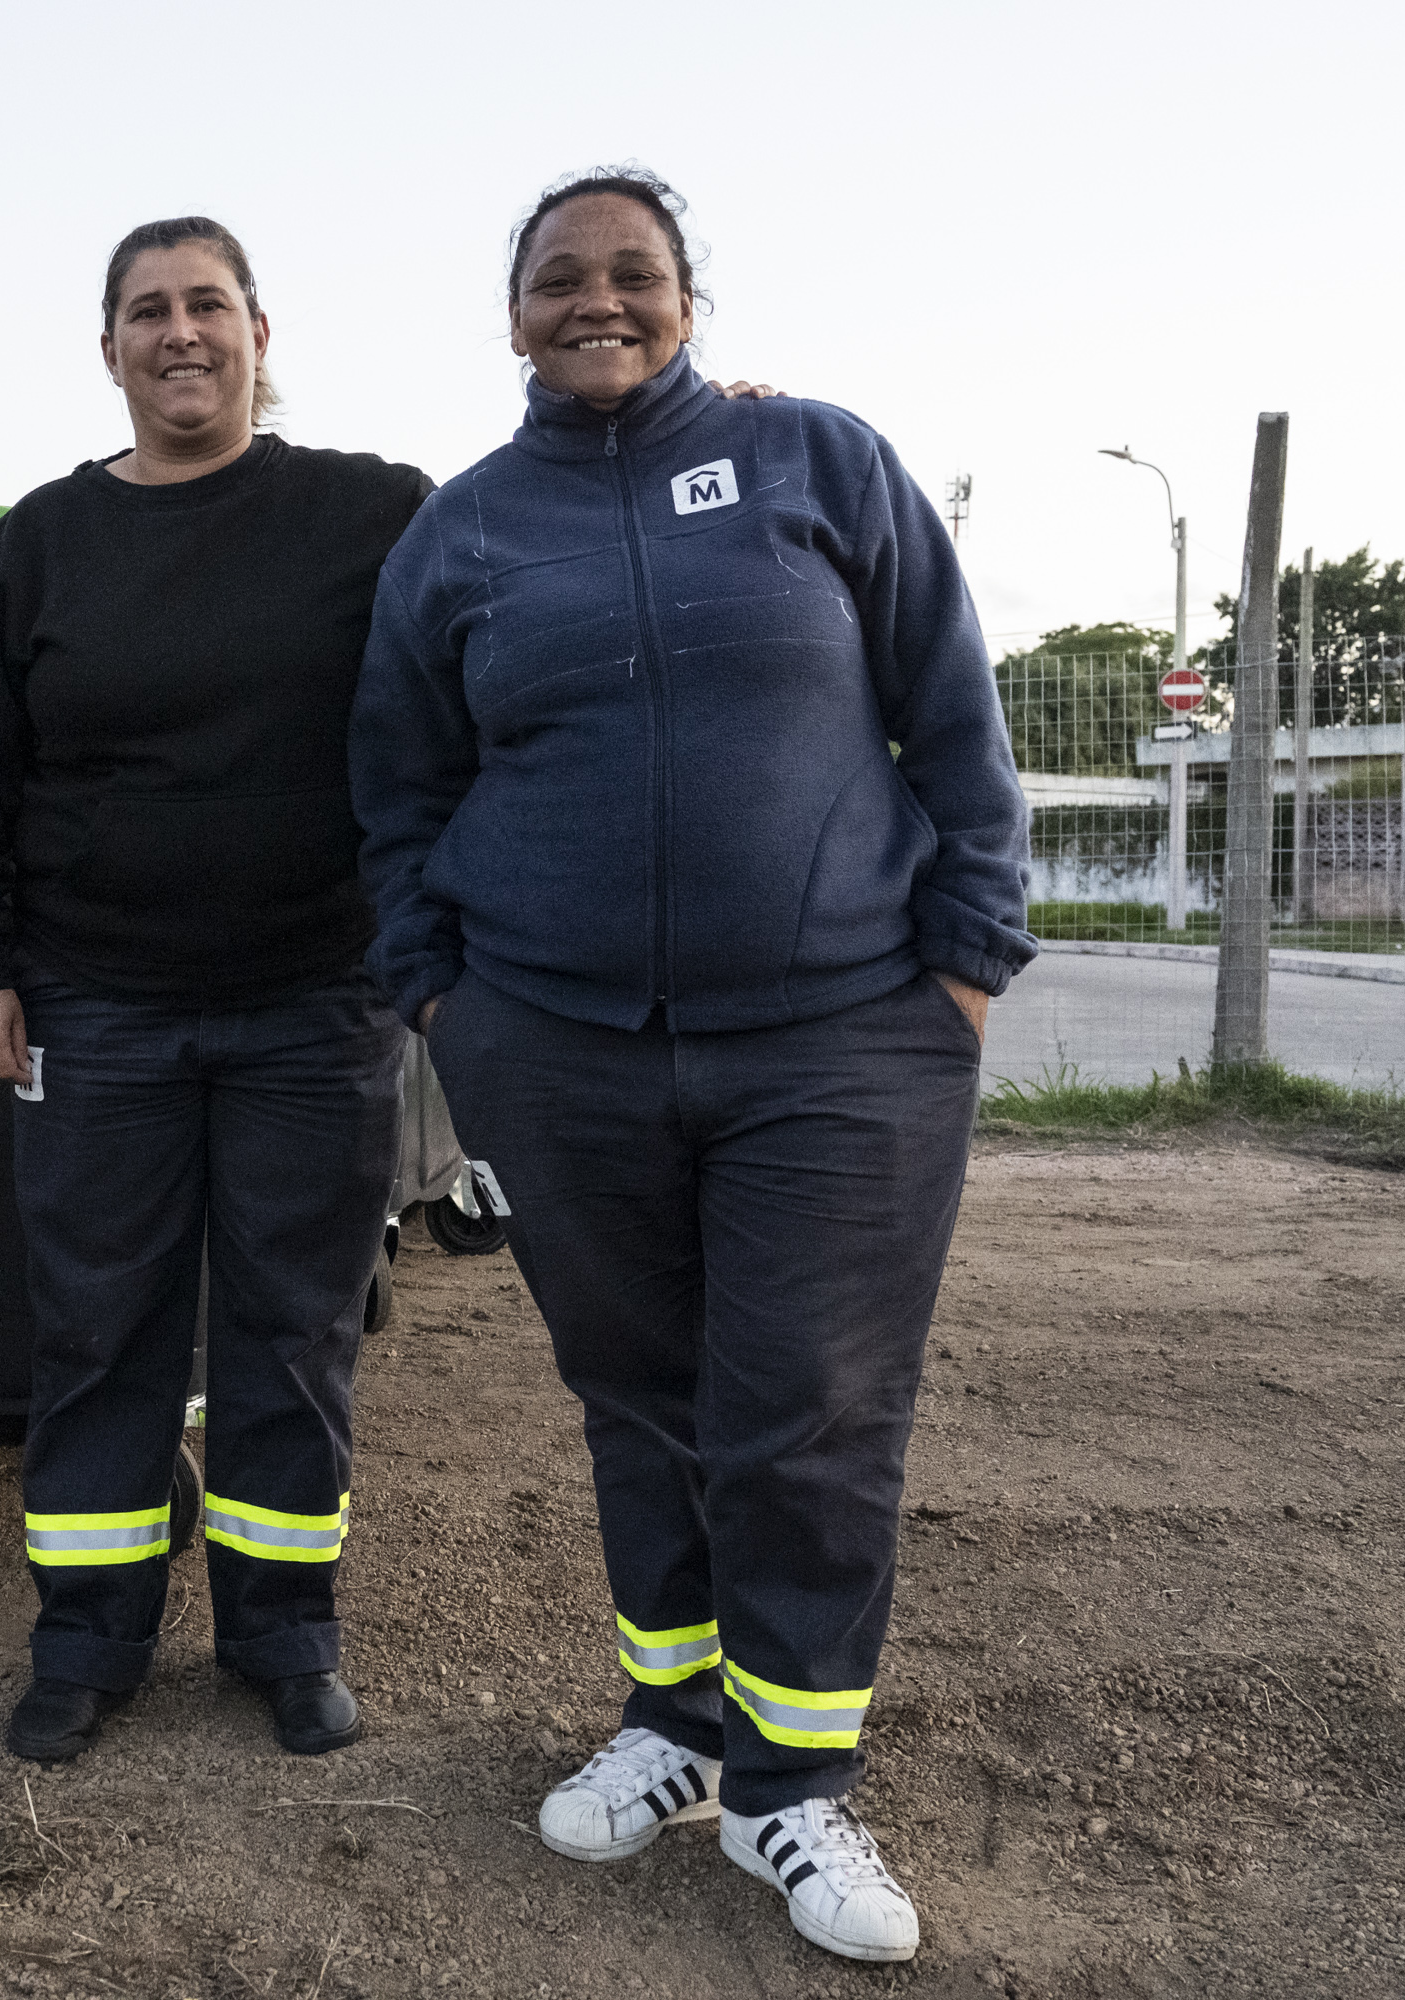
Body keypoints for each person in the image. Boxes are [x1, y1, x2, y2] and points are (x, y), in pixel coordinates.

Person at [351, 168, 1033, 1965]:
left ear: (685, 298)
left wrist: (965, 959)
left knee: (804, 1407)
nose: (600, 301)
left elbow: (951, 710)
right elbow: (398, 793)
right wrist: (444, 1001)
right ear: (513, 317)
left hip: (843, 1043)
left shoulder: (817, 462)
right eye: (560, 279)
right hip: (557, 1050)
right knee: (640, 1399)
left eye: (634, 274)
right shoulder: (466, 535)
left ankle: (792, 1788)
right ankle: (671, 1726)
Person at [0, 217, 432, 1764]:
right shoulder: (38, 548)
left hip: (314, 1005)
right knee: (100, 1331)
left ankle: (285, 1634)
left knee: (293, 1331)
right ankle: (88, 1638)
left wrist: (692, 422)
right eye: (149, 309)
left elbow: (518, 588)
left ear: (264, 334)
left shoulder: (375, 514)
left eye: (209, 304)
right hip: (98, 1013)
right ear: (110, 348)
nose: (180, 332)